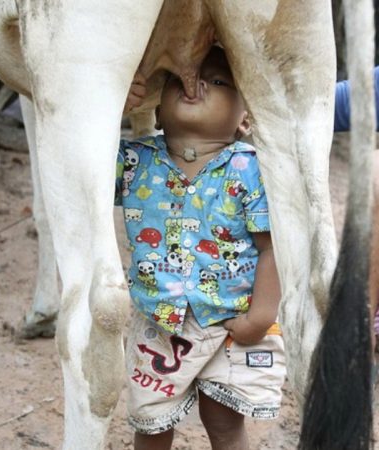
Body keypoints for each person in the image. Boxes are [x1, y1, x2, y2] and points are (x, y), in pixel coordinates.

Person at [118, 46, 283, 450]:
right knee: (152, 426)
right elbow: (79, 171)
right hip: (159, 323)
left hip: (232, 323)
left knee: (225, 425)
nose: (195, 82)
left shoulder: (250, 168)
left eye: (219, 80)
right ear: (156, 113)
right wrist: (113, 109)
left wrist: (260, 316)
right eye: (178, 79)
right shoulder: (133, 161)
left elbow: (271, 248)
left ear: (244, 118)